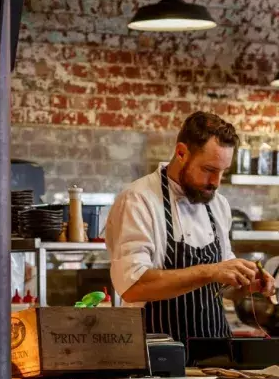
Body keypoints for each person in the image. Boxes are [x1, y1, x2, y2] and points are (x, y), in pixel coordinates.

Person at [107, 111, 276, 345]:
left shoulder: (218, 204)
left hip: (215, 355)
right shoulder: (139, 200)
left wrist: (246, 285)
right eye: (209, 170)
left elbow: (221, 287)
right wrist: (210, 270)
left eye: (222, 171)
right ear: (181, 153)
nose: (216, 182)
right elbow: (133, 287)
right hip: (157, 356)